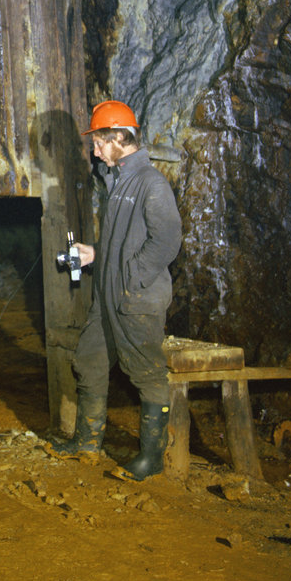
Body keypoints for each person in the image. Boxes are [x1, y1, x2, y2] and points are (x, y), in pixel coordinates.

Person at [52, 100, 183, 480]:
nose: (94, 150)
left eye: (99, 142)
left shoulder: (150, 183)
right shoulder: (120, 181)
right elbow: (128, 239)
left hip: (135, 299)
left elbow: (167, 240)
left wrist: (131, 276)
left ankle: (151, 459)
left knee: (147, 374)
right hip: (109, 297)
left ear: (119, 139)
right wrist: (96, 253)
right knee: (89, 360)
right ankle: (87, 442)